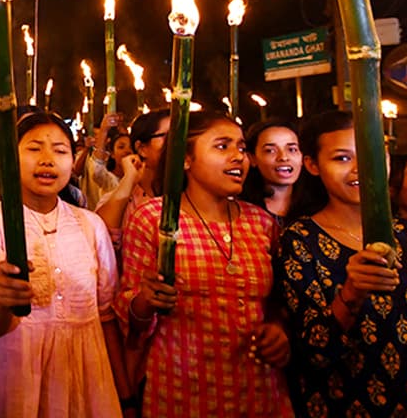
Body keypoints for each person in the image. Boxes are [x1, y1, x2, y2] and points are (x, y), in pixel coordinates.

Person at [117, 110, 293, 416]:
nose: (238, 157)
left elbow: (279, 301)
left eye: (241, 148)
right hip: (182, 389)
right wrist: (146, 300)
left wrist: (278, 329)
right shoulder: (153, 219)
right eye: (222, 146)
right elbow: (130, 314)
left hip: (258, 388)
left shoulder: (262, 222)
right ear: (186, 159)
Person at [0, 111, 130, 416]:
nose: (47, 159)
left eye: (60, 150)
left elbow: (106, 317)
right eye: (34, 148)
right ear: (11, 157)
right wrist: (3, 300)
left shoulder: (90, 225)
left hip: (87, 378)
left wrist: (125, 394)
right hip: (15, 378)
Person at [275, 110, 407, 416]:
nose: (360, 169)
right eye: (342, 158)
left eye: (371, 154)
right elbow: (316, 351)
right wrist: (352, 292)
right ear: (312, 165)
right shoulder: (299, 241)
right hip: (344, 403)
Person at [95, 109, 167, 252]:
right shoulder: (125, 200)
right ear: (141, 148)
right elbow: (102, 242)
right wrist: (129, 180)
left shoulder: (192, 195)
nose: (179, 143)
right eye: (168, 137)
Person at [241, 119, 301, 235]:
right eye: (270, 151)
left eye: (292, 149)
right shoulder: (240, 211)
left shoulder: (319, 208)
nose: (283, 157)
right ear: (252, 158)